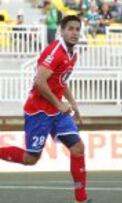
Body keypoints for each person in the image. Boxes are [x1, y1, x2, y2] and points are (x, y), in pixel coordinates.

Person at [0, 15, 91, 203]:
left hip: (57, 111)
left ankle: (81, 199)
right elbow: (39, 82)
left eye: (77, 29)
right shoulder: (56, 51)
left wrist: (73, 103)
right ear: (62, 31)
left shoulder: (72, 53)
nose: (74, 33)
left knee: (78, 148)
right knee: (30, 159)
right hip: (39, 111)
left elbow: (61, 81)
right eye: (70, 29)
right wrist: (59, 104)